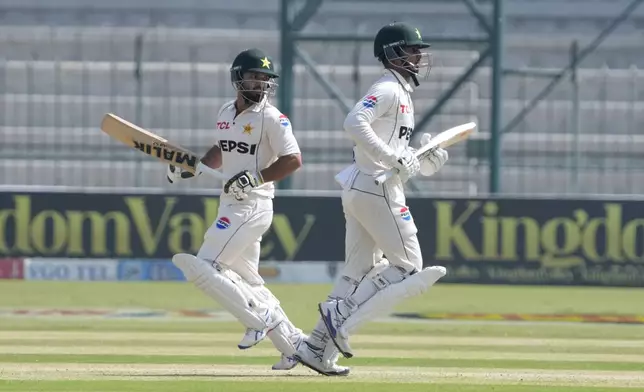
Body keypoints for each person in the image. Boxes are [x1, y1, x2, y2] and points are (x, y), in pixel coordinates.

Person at [294, 22, 449, 375]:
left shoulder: (401, 93)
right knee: (408, 267)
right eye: (412, 50)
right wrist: (394, 159)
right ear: (393, 53)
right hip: (377, 187)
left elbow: (392, 149)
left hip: (362, 186)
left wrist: (420, 158)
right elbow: (354, 122)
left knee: (356, 270)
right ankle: (341, 318)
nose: (419, 56)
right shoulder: (388, 89)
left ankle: (316, 347)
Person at [167, 48, 310, 372]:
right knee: (250, 282)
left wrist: (255, 178)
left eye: (265, 79)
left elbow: (293, 160)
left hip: (254, 205)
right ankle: (292, 347)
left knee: (207, 266)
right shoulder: (224, 111)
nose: (260, 83)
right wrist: (190, 168)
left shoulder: (272, 118)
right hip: (229, 203)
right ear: (238, 78)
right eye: (254, 76)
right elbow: (223, 149)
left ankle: (255, 319)